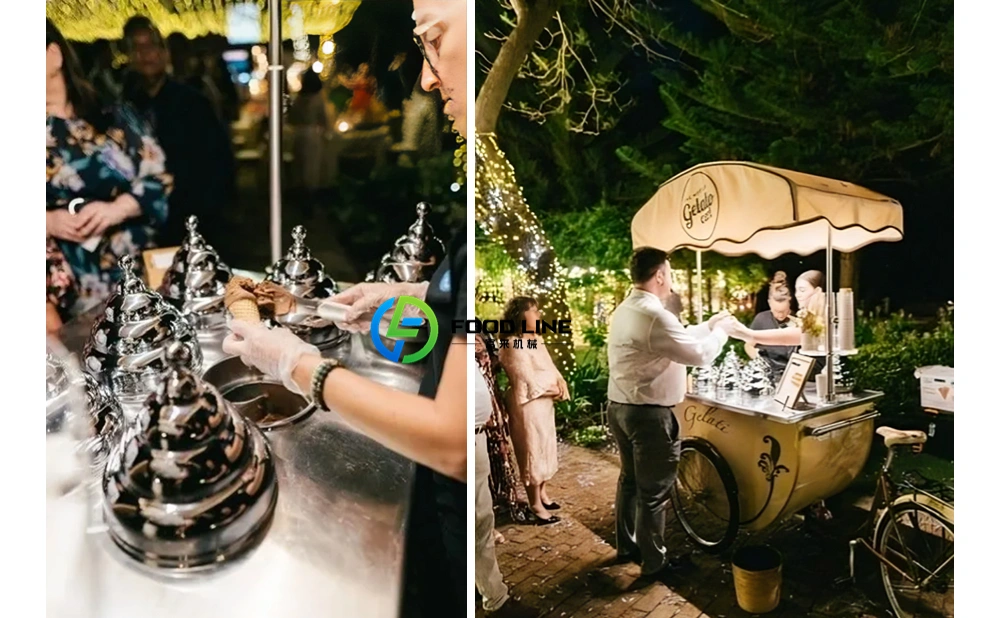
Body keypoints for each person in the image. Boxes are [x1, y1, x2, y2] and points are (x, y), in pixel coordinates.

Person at [221, 2, 467, 616]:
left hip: (452, 517)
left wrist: (297, 364)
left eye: (433, 41)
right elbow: (465, 313)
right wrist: (404, 296)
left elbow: (452, 442)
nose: (425, 78)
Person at [606, 247, 738, 577]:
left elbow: (673, 337)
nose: (672, 280)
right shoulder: (654, 315)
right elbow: (699, 354)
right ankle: (654, 563)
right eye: (671, 273)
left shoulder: (627, 308)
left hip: (620, 406)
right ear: (660, 275)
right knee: (654, 493)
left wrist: (707, 324)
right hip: (648, 415)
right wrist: (721, 332)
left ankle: (627, 546)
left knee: (630, 482)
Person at [46, 19, 170, 323]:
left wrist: (119, 209)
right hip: (69, 290)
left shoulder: (112, 114)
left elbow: (160, 177)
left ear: (53, 55)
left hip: (139, 271)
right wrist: (46, 221)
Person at [121, 16, 235, 248]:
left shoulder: (192, 102)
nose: (145, 54)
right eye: (136, 47)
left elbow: (218, 161)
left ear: (164, 52)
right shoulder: (124, 106)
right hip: (139, 222)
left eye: (150, 45)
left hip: (189, 219)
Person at [474, 359, 538, 617]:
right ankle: (495, 598)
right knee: (477, 522)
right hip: (459, 436)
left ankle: (487, 590)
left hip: (476, 434)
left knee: (480, 520)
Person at [497, 296, 569, 524]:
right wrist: (553, 385)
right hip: (527, 406)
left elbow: (550, 369)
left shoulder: (535, 339)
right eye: (534, 311)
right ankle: (535, 505)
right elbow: (526, 381)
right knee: (532, 451)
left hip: (543, 404)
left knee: (546, 447)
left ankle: (543, 494)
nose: (538, 316)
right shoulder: (512, 343)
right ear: (521, 315)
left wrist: (560, 383)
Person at [476, 334, 527, 521]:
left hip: (492, 395)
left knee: (500, 451)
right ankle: (490, 510)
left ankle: (506, 498)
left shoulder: (480, 329)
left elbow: (496, 359)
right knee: (489, 454)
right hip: (481, 410)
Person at [288, 69, 330, 216]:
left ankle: (301, 200)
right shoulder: (318, 98)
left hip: (298, 134)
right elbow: (324, 119)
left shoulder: (298, 98)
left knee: (300, 167)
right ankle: (310, 203)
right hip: (312, 135)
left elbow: (291, 118)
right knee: (311, 168)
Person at [746, 271, 798, 375]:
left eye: (784, 311)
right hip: (767, 371)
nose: (780, 315)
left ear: (790, 302)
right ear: (769, 303)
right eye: (776, 311)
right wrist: (758, 359)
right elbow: (748, 345)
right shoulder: (761, 319)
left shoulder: (797, 319)